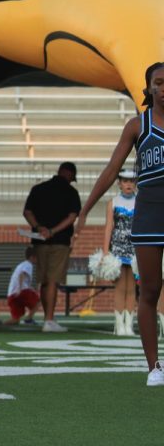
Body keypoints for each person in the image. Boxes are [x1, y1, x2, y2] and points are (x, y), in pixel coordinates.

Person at [79, 61, 164, 385]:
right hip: (150, 212)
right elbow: (112, 169)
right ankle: (154, 367)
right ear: (150, 88)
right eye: (159, 82)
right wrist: (86, 209)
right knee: (150, 289)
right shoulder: (137, 126)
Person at [23, 161, 81, 333]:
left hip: (40, 241)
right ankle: (49, 319)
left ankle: (47, 318)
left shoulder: (39, 189)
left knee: (44, 281)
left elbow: (27, 212)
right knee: (53, 281)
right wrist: (53, 231)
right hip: (60, 242)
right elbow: (72, 217)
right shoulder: (71, 192)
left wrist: (39, 228)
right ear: (70, 174)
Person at [103, 170, 138, 336]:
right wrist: (105, 251)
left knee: (132, 288)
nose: (129, 184)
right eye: (125, 181)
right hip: (117, 248)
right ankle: (119, 325)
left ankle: (129, 325)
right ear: (119, 183)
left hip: (135, 249)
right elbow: (109, 227)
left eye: (132, 181)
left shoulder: (141, 202)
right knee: (119, 287)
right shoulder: (113, 202)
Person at [5, 247, 40, 325]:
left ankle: (1, 325)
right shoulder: (28, 265)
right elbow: (22, 275)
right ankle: (28, 319)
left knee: (15, 320)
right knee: (38, 301)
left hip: (11, 295)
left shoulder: (22, 264)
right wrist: (20, 289)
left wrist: (28, 287)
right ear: (32, 257)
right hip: (21, 291)